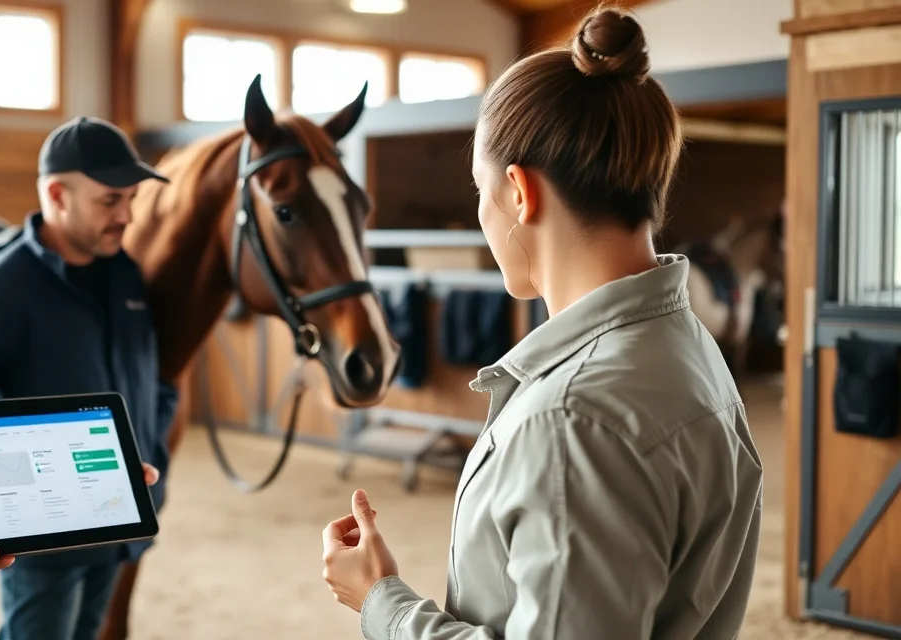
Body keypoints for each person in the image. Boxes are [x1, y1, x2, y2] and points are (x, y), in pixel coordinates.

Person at [319, 7, 764, 639]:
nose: (482, 213)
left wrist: (380, 602)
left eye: (480, 189)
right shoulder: (688, 344)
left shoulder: (572, 418)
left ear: (519, 193)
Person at [0, 116, 179, 640]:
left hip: (119, 521)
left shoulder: (126, 274)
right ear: (58, 194)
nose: (126, 216)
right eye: (110, 201)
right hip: (42, 542)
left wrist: (151, 451)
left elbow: (153, 379)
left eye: (131, 199)